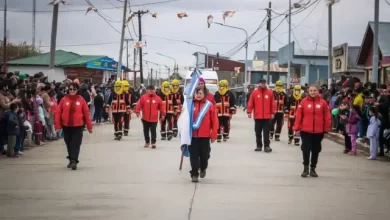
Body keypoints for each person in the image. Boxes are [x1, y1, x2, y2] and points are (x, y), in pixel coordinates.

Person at [293, 85, 331, 178]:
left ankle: (313, 168)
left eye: (315, 90)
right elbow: (299, 116)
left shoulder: (323, 103)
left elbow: (327, 117)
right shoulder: (303, 102)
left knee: (316, 150)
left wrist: (326, 129)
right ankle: (305, 168)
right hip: (305, 131)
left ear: (318, 91)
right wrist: (296, 128)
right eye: (311, 90)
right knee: (305, 149)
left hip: (318, 132)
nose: (313, 92)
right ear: (308, 91)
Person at [55, 82, 93, 170]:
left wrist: (89, 127)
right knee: (68, 143)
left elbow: (86, 114)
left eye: (74, 89)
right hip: (66, 126)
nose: (72, 91)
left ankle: (74, 161)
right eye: (70, 89)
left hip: (78, 126)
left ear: (77, 90)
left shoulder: (81, 100)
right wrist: (58, 125)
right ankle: (71, 158)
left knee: (75, 144)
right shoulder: (64, 100)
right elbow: (58, 113)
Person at [189, 87, 218, 182]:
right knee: (193, 156)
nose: (198, 95)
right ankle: (194, 174)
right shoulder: (190, 105)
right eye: (196, 93)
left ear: (204, 94)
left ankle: (203, 168)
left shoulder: (209, 105)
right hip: (192, 136)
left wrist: (214, 135)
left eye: (200, 93)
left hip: (205, 136)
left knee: (204, 156)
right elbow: (184, 120)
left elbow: (214, 121)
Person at [247, 79, 275, 153]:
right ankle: (259, 146)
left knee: (266, 132)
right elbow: (251, 103)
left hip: (267, 117)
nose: (263, 84)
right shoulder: (254, 93)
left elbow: (273, 103)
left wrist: (272, 113)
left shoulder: (270, 93)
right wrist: (249, 112)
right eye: (261, 83)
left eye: (264, 83)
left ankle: (267, 146)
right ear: (258, 84)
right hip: (258, 117)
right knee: (258, 132)